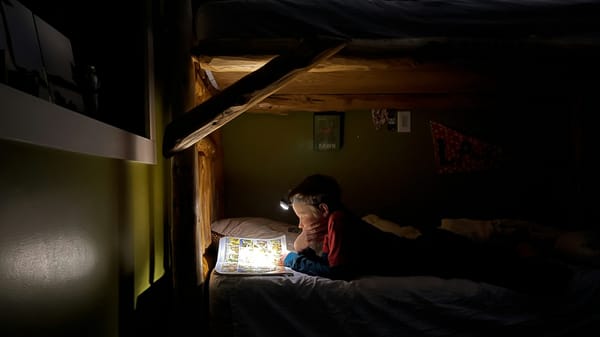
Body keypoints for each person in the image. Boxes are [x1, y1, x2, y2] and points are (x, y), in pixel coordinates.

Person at [282, 174, 573, 296]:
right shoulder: (335, 219)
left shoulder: (339, 222)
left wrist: (295, 260)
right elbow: (325, 255)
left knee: (491, 267)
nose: (299, 224)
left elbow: (340, 272)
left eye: (301, 217)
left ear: (321, 209)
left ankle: (555, 275)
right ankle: (535, 262)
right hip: (423, 249)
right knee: (485, 260)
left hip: (425, 254)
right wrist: (300, 245)